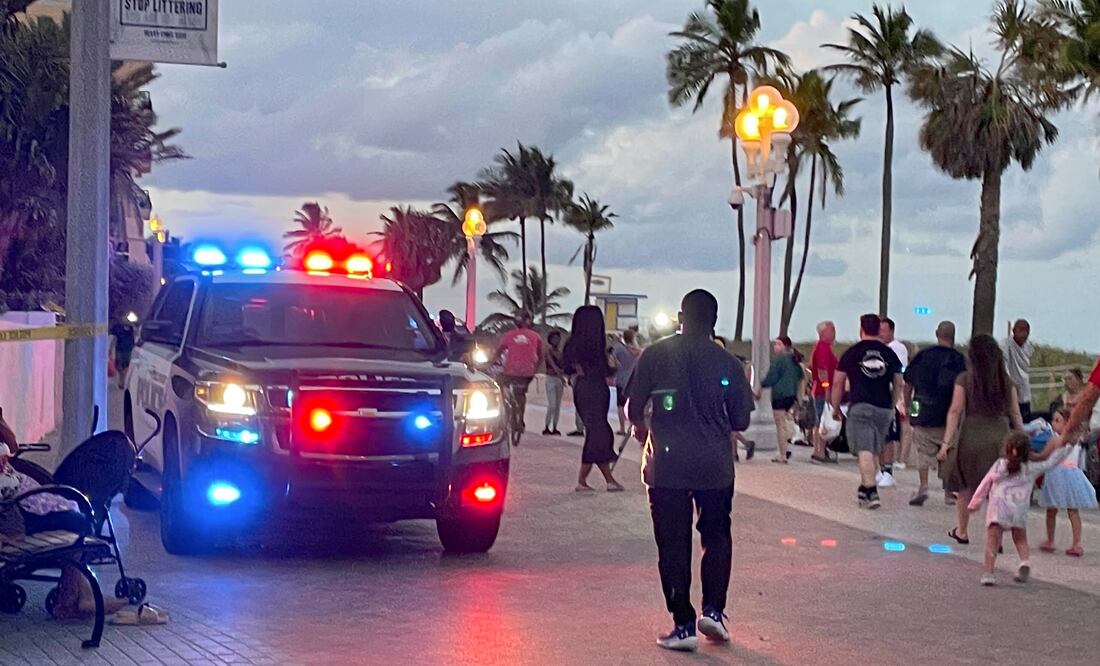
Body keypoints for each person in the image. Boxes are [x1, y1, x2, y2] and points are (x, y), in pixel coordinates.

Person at [628, 289, 753, 651]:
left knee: (672, 543)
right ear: (714, 321)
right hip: (715, 466)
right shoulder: (729, 363)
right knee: (716, 536)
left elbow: (632, 408)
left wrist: (643, 427)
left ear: (681, 318)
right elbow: (741, 420)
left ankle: (683, 625)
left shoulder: (654, 355)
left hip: (667, 466)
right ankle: (713, 611)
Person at [0, 411, 127, 619]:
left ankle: (75, 597)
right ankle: (73, 598)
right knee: (78, 521)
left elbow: (12, 446)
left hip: (17, 491)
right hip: (10, 508)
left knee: (75, 512)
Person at [938, 334, 1025, 545]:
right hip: (1001, 437)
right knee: (997, 489)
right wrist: (1022, 440)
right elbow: (1015, 413)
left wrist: (946, 443)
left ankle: (962, 531)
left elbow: (955, 410)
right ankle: (997, 538)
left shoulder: (965, 379)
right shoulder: (1007, 382)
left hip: (971, 436)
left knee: (965, 486)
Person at [968, 431, 1072, 586]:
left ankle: (989, 573)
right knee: (1020, 539)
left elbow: (986, 483)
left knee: (992, 541)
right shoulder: (1030, 468)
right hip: (1019, 510)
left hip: (998, 509)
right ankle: (1024, 561)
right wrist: (1067, 447)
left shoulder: (1000, 465)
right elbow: (1050, 463)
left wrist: (975, 502)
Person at [829, 314, 903, 510]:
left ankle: (871, 491)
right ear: (878, 329)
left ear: (861, 329)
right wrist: (892, 404)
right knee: (873, 450)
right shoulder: (889, 353)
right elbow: (898, 382)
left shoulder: (852, 353)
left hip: (860, 406)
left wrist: (835, 408)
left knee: (864, 450)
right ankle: (864, 488)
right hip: (884, 408)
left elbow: (837, 383)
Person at [904, 321, 967, 506]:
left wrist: (909, 407)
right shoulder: (959, 359)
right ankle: (949, 492)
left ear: (937, 333)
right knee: (949, 452)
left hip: (922, 408)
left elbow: (908, 384)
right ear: (953, 336)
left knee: (923, 451)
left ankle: (923, 486)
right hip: (949, 412)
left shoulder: (922, 355)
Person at [562, 306, 622, 492]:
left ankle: (590, 480)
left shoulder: (572, 344)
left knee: (596, 431)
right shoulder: (597, 346)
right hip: (596, 388)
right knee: (598, 431)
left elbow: (566, 367)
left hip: (583, 388)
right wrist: (613, 366)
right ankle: (602, 479)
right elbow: (607, 371)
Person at [1038, 407, 1098, 557]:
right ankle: (1052, 540)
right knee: (1052, 510)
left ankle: (1076, 543)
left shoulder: (1068, 439)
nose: (1053, 423)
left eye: (1057, 420)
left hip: (1065, 474)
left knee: (1071, 510)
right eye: (1053, 420)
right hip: (1059, 475)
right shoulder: (1060, 438)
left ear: (1067, 423)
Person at [494, 312, 544, 439]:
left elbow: (498, 352)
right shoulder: (536, 336)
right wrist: (535, 369)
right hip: (527, 372)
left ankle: (505, 410)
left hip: (510, 371)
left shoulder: (509, 335)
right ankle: (520, 419)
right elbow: (540, 356)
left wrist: (490, 362)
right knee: (521, 394)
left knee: (498, 384)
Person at [760, 336, 804, 464]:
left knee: (780, 426)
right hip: (791, 395)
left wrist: (761, 386)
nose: (775, 346)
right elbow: (800, 376)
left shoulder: (779, 360)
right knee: (785, 422)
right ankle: (785, 449)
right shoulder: (794, 360)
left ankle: (783, 454)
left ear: (785, 346)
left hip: (779, 395)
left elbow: (771, 377)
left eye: (778, 344)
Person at [879, 317, 909, 483]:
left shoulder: (897, 348)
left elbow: (898, 373)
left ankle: (889, 468)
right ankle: (880, 467)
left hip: (894, 396)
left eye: (883, 331)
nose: (881, 334)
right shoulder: (878, 348)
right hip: (880, 395)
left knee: (889, 434)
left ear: (891, 331)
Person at [810, 321, 839, 464]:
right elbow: (822, 370)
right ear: (823, 333)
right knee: (822, 420)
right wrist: (827, 388)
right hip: (822, 391)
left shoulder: (823, 347)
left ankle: (819, 450)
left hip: (821, 389)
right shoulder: (822, 348)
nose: (834, 332)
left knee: (821, 420)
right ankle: (819, 451)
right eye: (831, 330)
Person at [1001, 319, 1035, 421]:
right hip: (1010, 387)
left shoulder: (1028, 346)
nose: (1023, 334)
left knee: (1025, 417)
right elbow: (1003, 365)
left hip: (1024, 386)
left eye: (1026, 331)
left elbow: (1025, 365)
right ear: (1014, 330)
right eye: (1021, 330)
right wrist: (1009, 382)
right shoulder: (1005, 345)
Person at [611, 329, 642, 435]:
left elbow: (612, 361)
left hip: (621, 378)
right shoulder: (638, 349)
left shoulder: (619, 348)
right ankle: (631, 427)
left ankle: (622, 428)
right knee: (632, 404)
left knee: (620, 404)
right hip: (634, 379)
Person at [543, 331, 566, 436]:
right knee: (552, 404)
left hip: (558, 379)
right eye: (554, 339)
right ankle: (547, 426)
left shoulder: (561, 353)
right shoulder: (548, 352)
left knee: (557, 405)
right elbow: (553, 366)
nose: (556, 341)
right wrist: (561, 375)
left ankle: (555, 426)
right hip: (551, 379)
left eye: (557, 339)